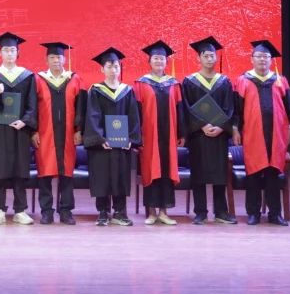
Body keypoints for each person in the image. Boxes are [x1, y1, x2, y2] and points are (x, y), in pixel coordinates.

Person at [235, 40, 290, 226]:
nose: (262, 60)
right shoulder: (243, 80)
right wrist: (235, 129)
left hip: (276, 135)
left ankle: (275, 214)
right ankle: (253, 213)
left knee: (273, 174)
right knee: (253, 174)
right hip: (252, 134)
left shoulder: (280, 80)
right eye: (259, 56)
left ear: (271, 60)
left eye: (266, 57)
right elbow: (237, 109)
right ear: (252, 59)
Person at [0, 33, 38, 226]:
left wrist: (25, 121)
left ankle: (20, 210)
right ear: (0, 53)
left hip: (20, 130)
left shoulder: (27, 76)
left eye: (13, 50)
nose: (9, 53)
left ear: (17, 52)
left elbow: (32, 104)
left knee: (20, 170)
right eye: (6, 50)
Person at [179, 36, 237, 225]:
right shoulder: (189, 82)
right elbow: (186, 108)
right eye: (206, 56)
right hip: (198, 136)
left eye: (212, 55)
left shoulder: (224, 82)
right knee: (199, 173)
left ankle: (221, 212)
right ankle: (200, 212)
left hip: (219, 136)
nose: (210, 59)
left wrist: (221, 127)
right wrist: (202, 125)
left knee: (220, 175)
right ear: (199, 58)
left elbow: (230, 108)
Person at [81, 48, 141, 226]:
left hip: (121, 145)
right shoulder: (96, 91)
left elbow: (133, 117)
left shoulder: (127, 91)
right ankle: (103, 211)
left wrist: (131, 139)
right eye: (109, 66)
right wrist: (100, 139)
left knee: (121, 176)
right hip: (102, 145)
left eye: (116, 66)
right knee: (102, 176)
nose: (113, 70)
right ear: (102, 69)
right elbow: (92, 116)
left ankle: (120, 212)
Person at [33, 42, 86, 225]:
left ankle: (66, 211)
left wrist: (79, 130)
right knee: (44, 173)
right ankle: (46, 211)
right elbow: (32, 107)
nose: (56, 60)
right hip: (45, 133)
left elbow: (80, 107)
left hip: (68, 133)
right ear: (46, 60)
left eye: (59, 57)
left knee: (67, 173)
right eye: (52, 57)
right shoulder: (38, 79)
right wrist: (33, 131)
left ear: (64, 59)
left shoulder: (75, 79)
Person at [133, 40, 183, 226]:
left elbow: (180, 111)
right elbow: (135, 113)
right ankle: (151, 212)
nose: (159, 61)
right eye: (155, 58)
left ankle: (164, 212)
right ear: (149, 61)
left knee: (166, 172)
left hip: (169, 137)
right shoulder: (141, 84)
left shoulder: (174, 84)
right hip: (149, 137)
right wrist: (137, 137)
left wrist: (181, 134)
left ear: (166, 62)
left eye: (162, 58)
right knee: (150, 171)